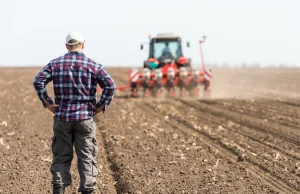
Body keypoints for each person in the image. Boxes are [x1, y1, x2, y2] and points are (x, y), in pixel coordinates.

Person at [33, 31, 116, 194]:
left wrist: (48, 103)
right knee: (87, 156)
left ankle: (59, 186)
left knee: (61, 155)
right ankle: (87, 189)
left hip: (62, 117)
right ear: (83, 45)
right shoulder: (93, 65)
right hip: (85, 117)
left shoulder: (55, 64)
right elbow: (110, 85)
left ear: (66, 46)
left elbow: (38, 81)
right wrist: (100, 106)